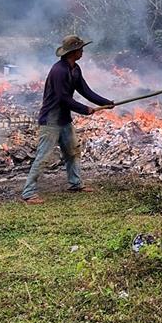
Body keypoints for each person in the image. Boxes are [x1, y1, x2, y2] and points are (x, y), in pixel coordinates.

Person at [21, 35, 114, 204]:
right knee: (43, 156)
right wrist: (84, 109)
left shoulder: (75, 69)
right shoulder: (59, 71)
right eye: (80, 49)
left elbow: (85, 90)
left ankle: (75, 184)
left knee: (72, 151)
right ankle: (28, 192)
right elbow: (63, 97)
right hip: (51, 119)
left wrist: (105, 102)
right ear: (73, 52)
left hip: (64, 118)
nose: (83, 51)